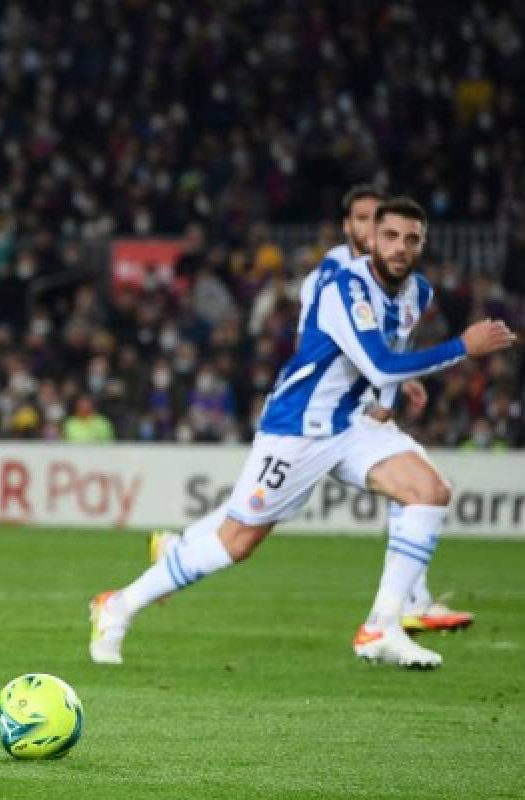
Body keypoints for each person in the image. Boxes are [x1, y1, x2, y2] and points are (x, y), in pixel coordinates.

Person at [89, 198, 516, 669]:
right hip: (299, 427)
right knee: (236, 542)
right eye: (389, 236)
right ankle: (120, 605)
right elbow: (379, 361)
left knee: (429, 491)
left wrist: (395, 390)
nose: (399, 247)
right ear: (371, 239)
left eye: (411, 239)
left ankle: (382, 626)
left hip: (351, 422)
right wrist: (462, 347)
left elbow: (381, 359)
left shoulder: (418, 293)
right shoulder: (342, 288)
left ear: (422, 244)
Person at [150, 184, 474, 634]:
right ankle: (176, 553)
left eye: (379, 221)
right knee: (251, 520)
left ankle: (403, 607)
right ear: (350, 227)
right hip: (313, 409)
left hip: (354, 406)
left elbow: (390, 343)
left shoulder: (401, 282)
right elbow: (337, 348)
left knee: (420, 487)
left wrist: (396, 388)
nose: (374, 230)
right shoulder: (335, 275)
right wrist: (387, 383)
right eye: (362, 219)